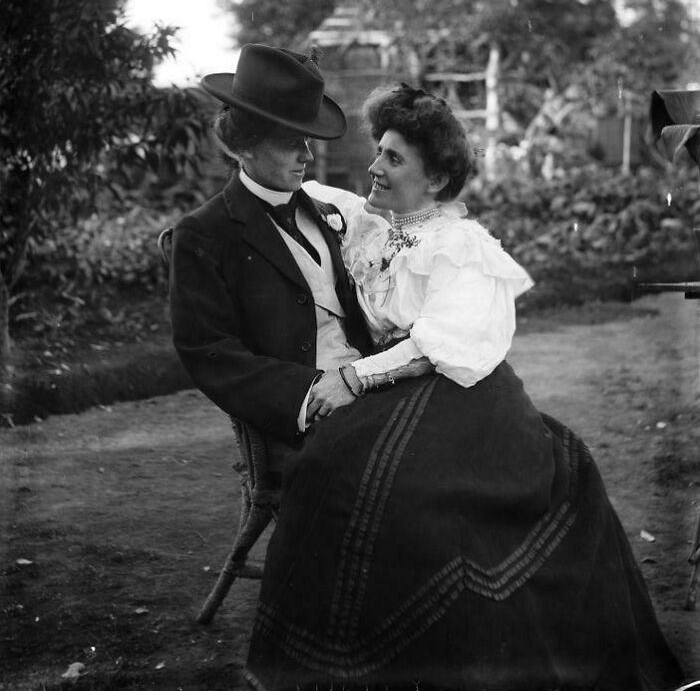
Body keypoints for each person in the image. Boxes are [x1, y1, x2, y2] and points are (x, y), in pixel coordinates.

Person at [245, 84, 683, 691]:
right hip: (402, 395)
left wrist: (354, 375)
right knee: (340, 472)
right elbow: (290, 195)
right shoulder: (375, 225)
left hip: (467, 393)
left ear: (435, 180)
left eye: (394, 159)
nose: (374, 166)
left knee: (416, 495)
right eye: (379, 150)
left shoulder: (460, 246)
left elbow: (437, 346)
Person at [169, 45, 428, 481]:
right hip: (310, 412)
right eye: (292, 143)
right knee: (420, 458)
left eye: (307, 141)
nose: (306, 156)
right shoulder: (206, 233)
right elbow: (208, 352)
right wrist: (307, 394)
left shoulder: (324, 211)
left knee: (474, 407)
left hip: (366, 382)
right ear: (244, 146)